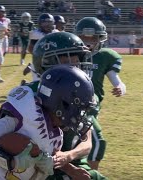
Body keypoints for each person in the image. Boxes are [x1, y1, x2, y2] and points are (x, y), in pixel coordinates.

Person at [0, 65, 95, 180]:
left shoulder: (57, 133)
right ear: (61, 103)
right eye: (78, 108)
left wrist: (70, 170)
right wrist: (10, 161)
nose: (79, 115)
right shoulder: (23, 115)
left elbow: (47, 156)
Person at [30, 32, 106, 179]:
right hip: (39, 169)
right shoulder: (29, 95)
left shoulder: (83, 91)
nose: (76, 66)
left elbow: (87, 141)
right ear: (45, 63)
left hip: (75, 163)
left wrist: (69, 156)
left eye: (77, 60)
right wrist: (67, 166)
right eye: (67, 61)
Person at [75, 17, 126, 170]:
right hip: (70, 103)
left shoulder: (105, 56)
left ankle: (84, 171)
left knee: (83, 139)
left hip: (92, 105)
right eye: (84, 37)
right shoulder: (70, 52)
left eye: (93, 37)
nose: (88, 41)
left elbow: (116, 79)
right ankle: (90, 174)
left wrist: (120, 88)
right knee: (96, 141)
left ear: (100, 38)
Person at [23, 13, 58, 81]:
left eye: (49, 23)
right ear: (40, 24)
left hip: (54, 59)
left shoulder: (56, 33)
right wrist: (38, 55)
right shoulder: (36, 34)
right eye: (45, 23)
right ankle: (31, 66)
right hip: (39, 59)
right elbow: (30, 48)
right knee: (38, 80)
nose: (47, 25)